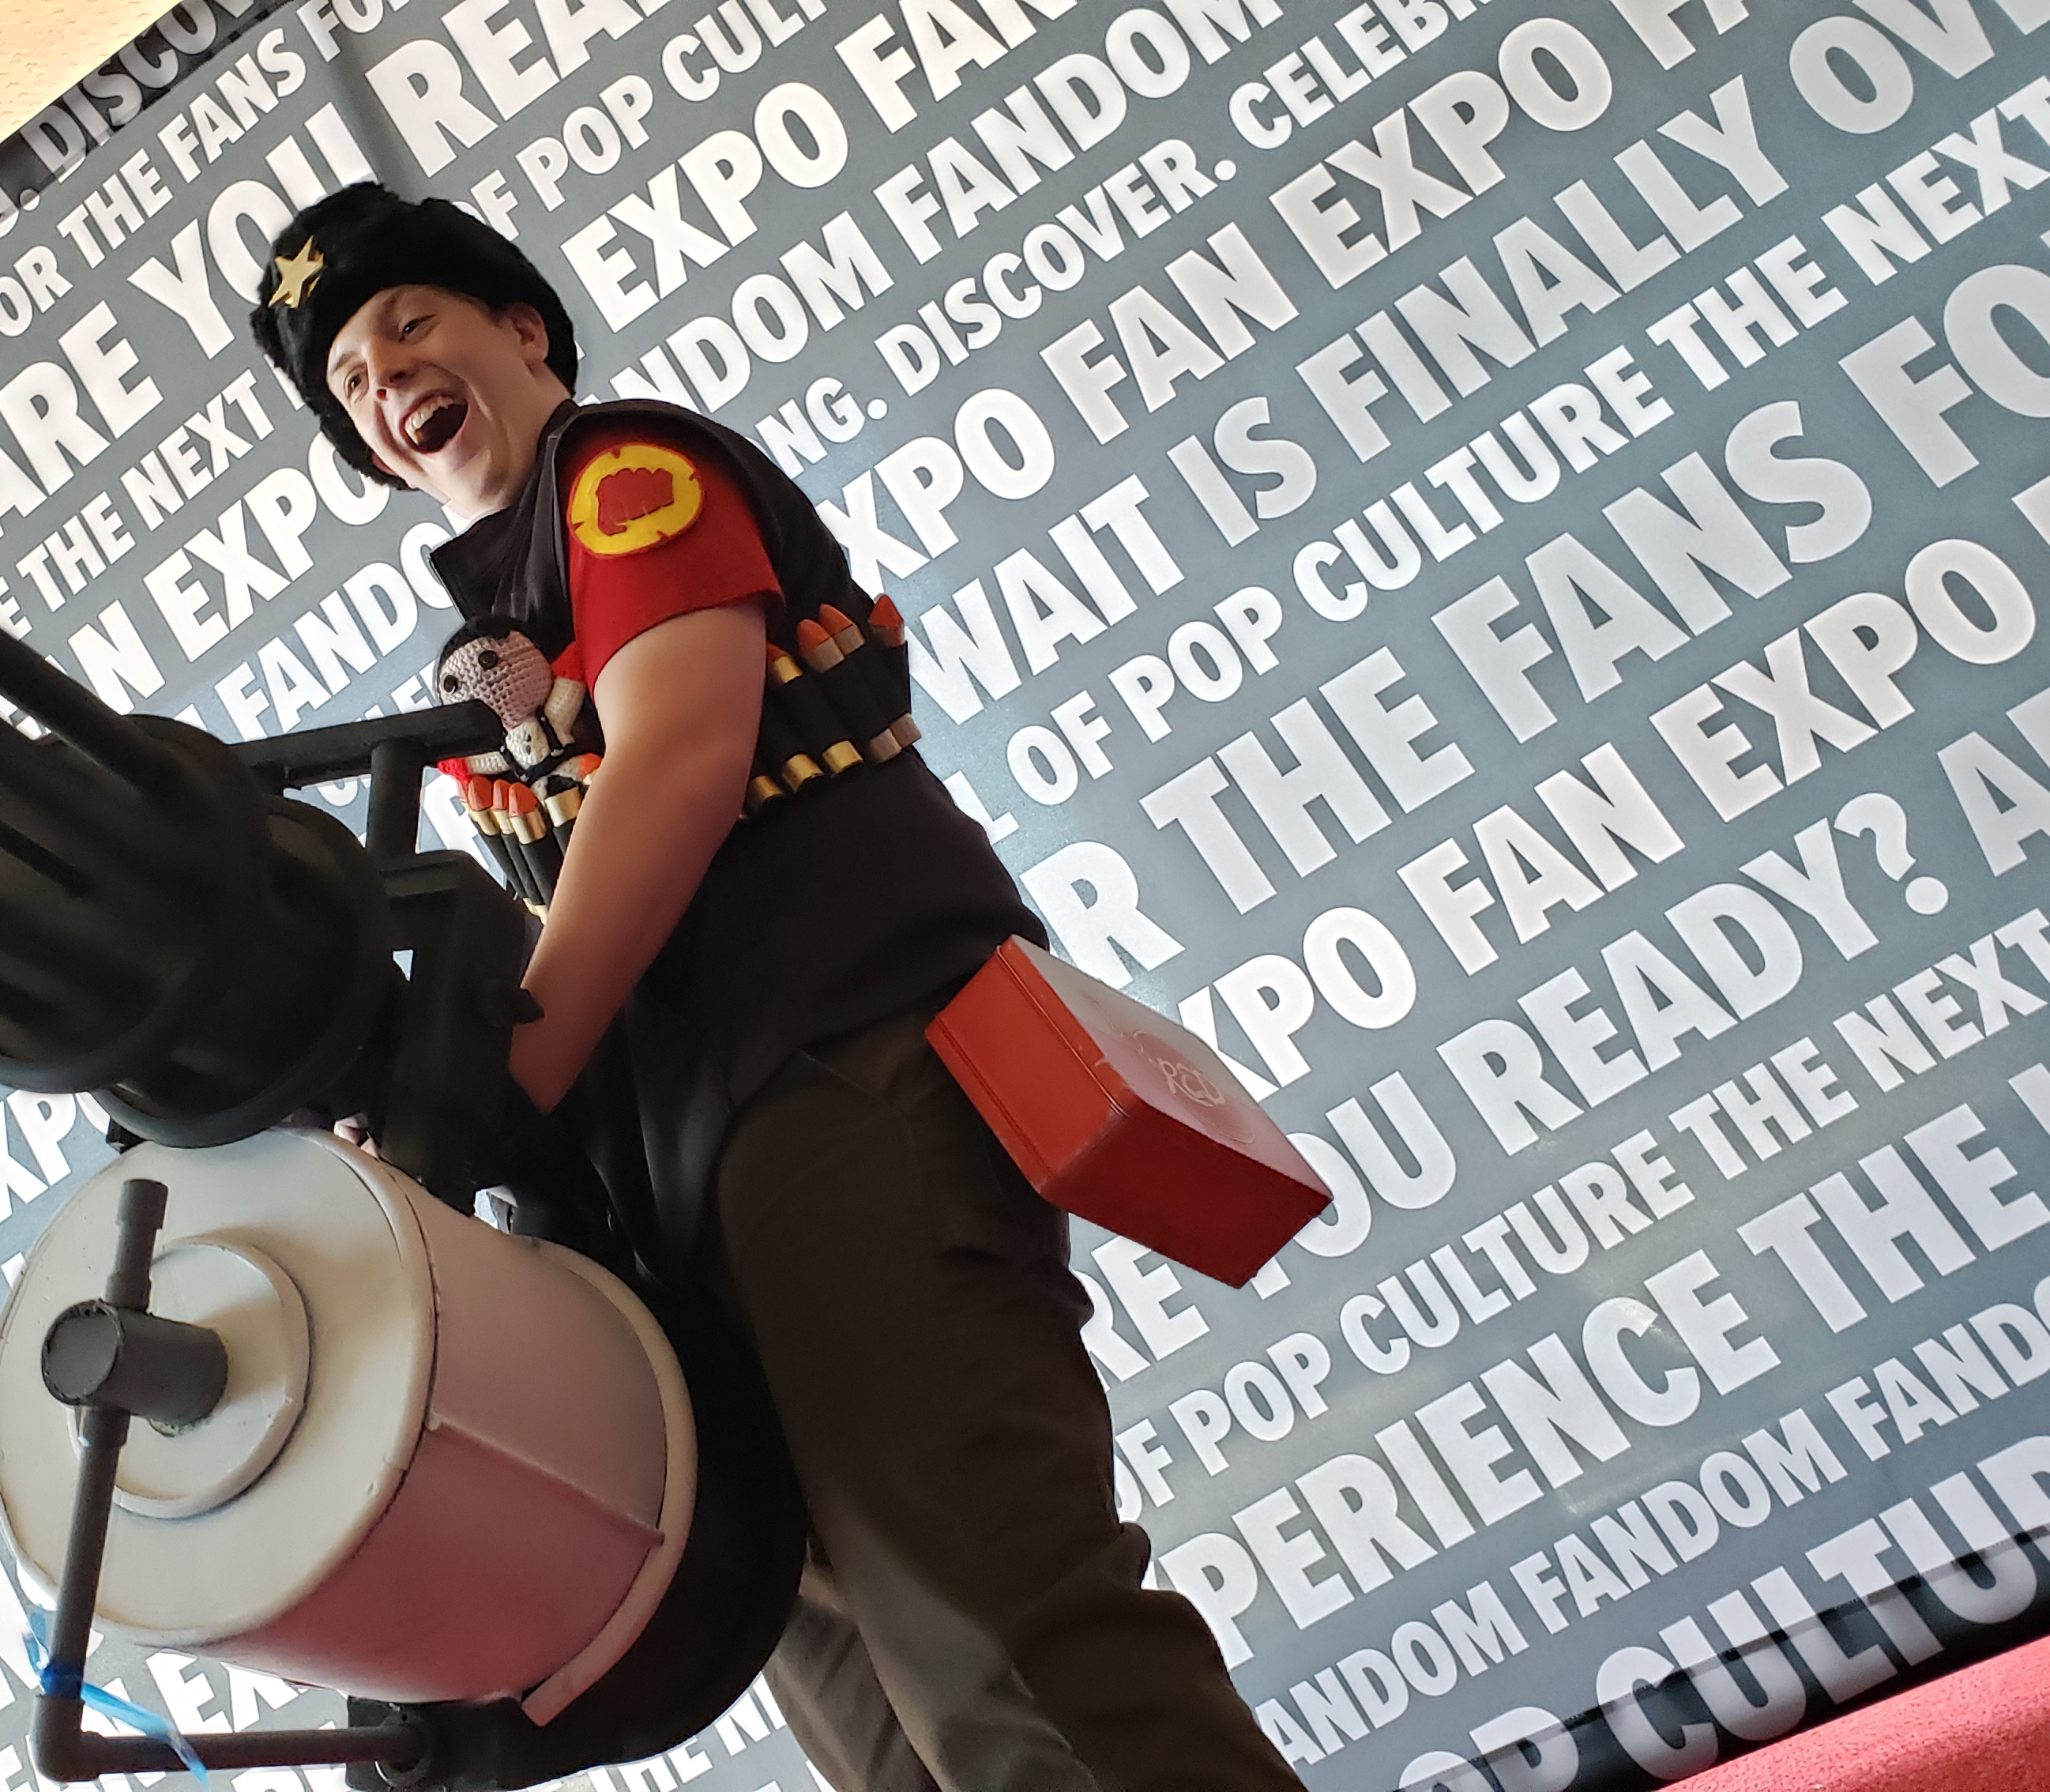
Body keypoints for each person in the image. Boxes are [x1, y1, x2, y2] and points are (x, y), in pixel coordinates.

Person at [248, 184, 1306, 1792]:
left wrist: (497, 1081)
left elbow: (678, 762)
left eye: (410, 327)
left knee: (1004, 1645)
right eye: (348, 382)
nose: (384, 379)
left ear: (523, 331)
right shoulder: (498, 636)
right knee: (871, 1706)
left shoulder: (624, 477)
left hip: (838, 1075)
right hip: (692, 1185)